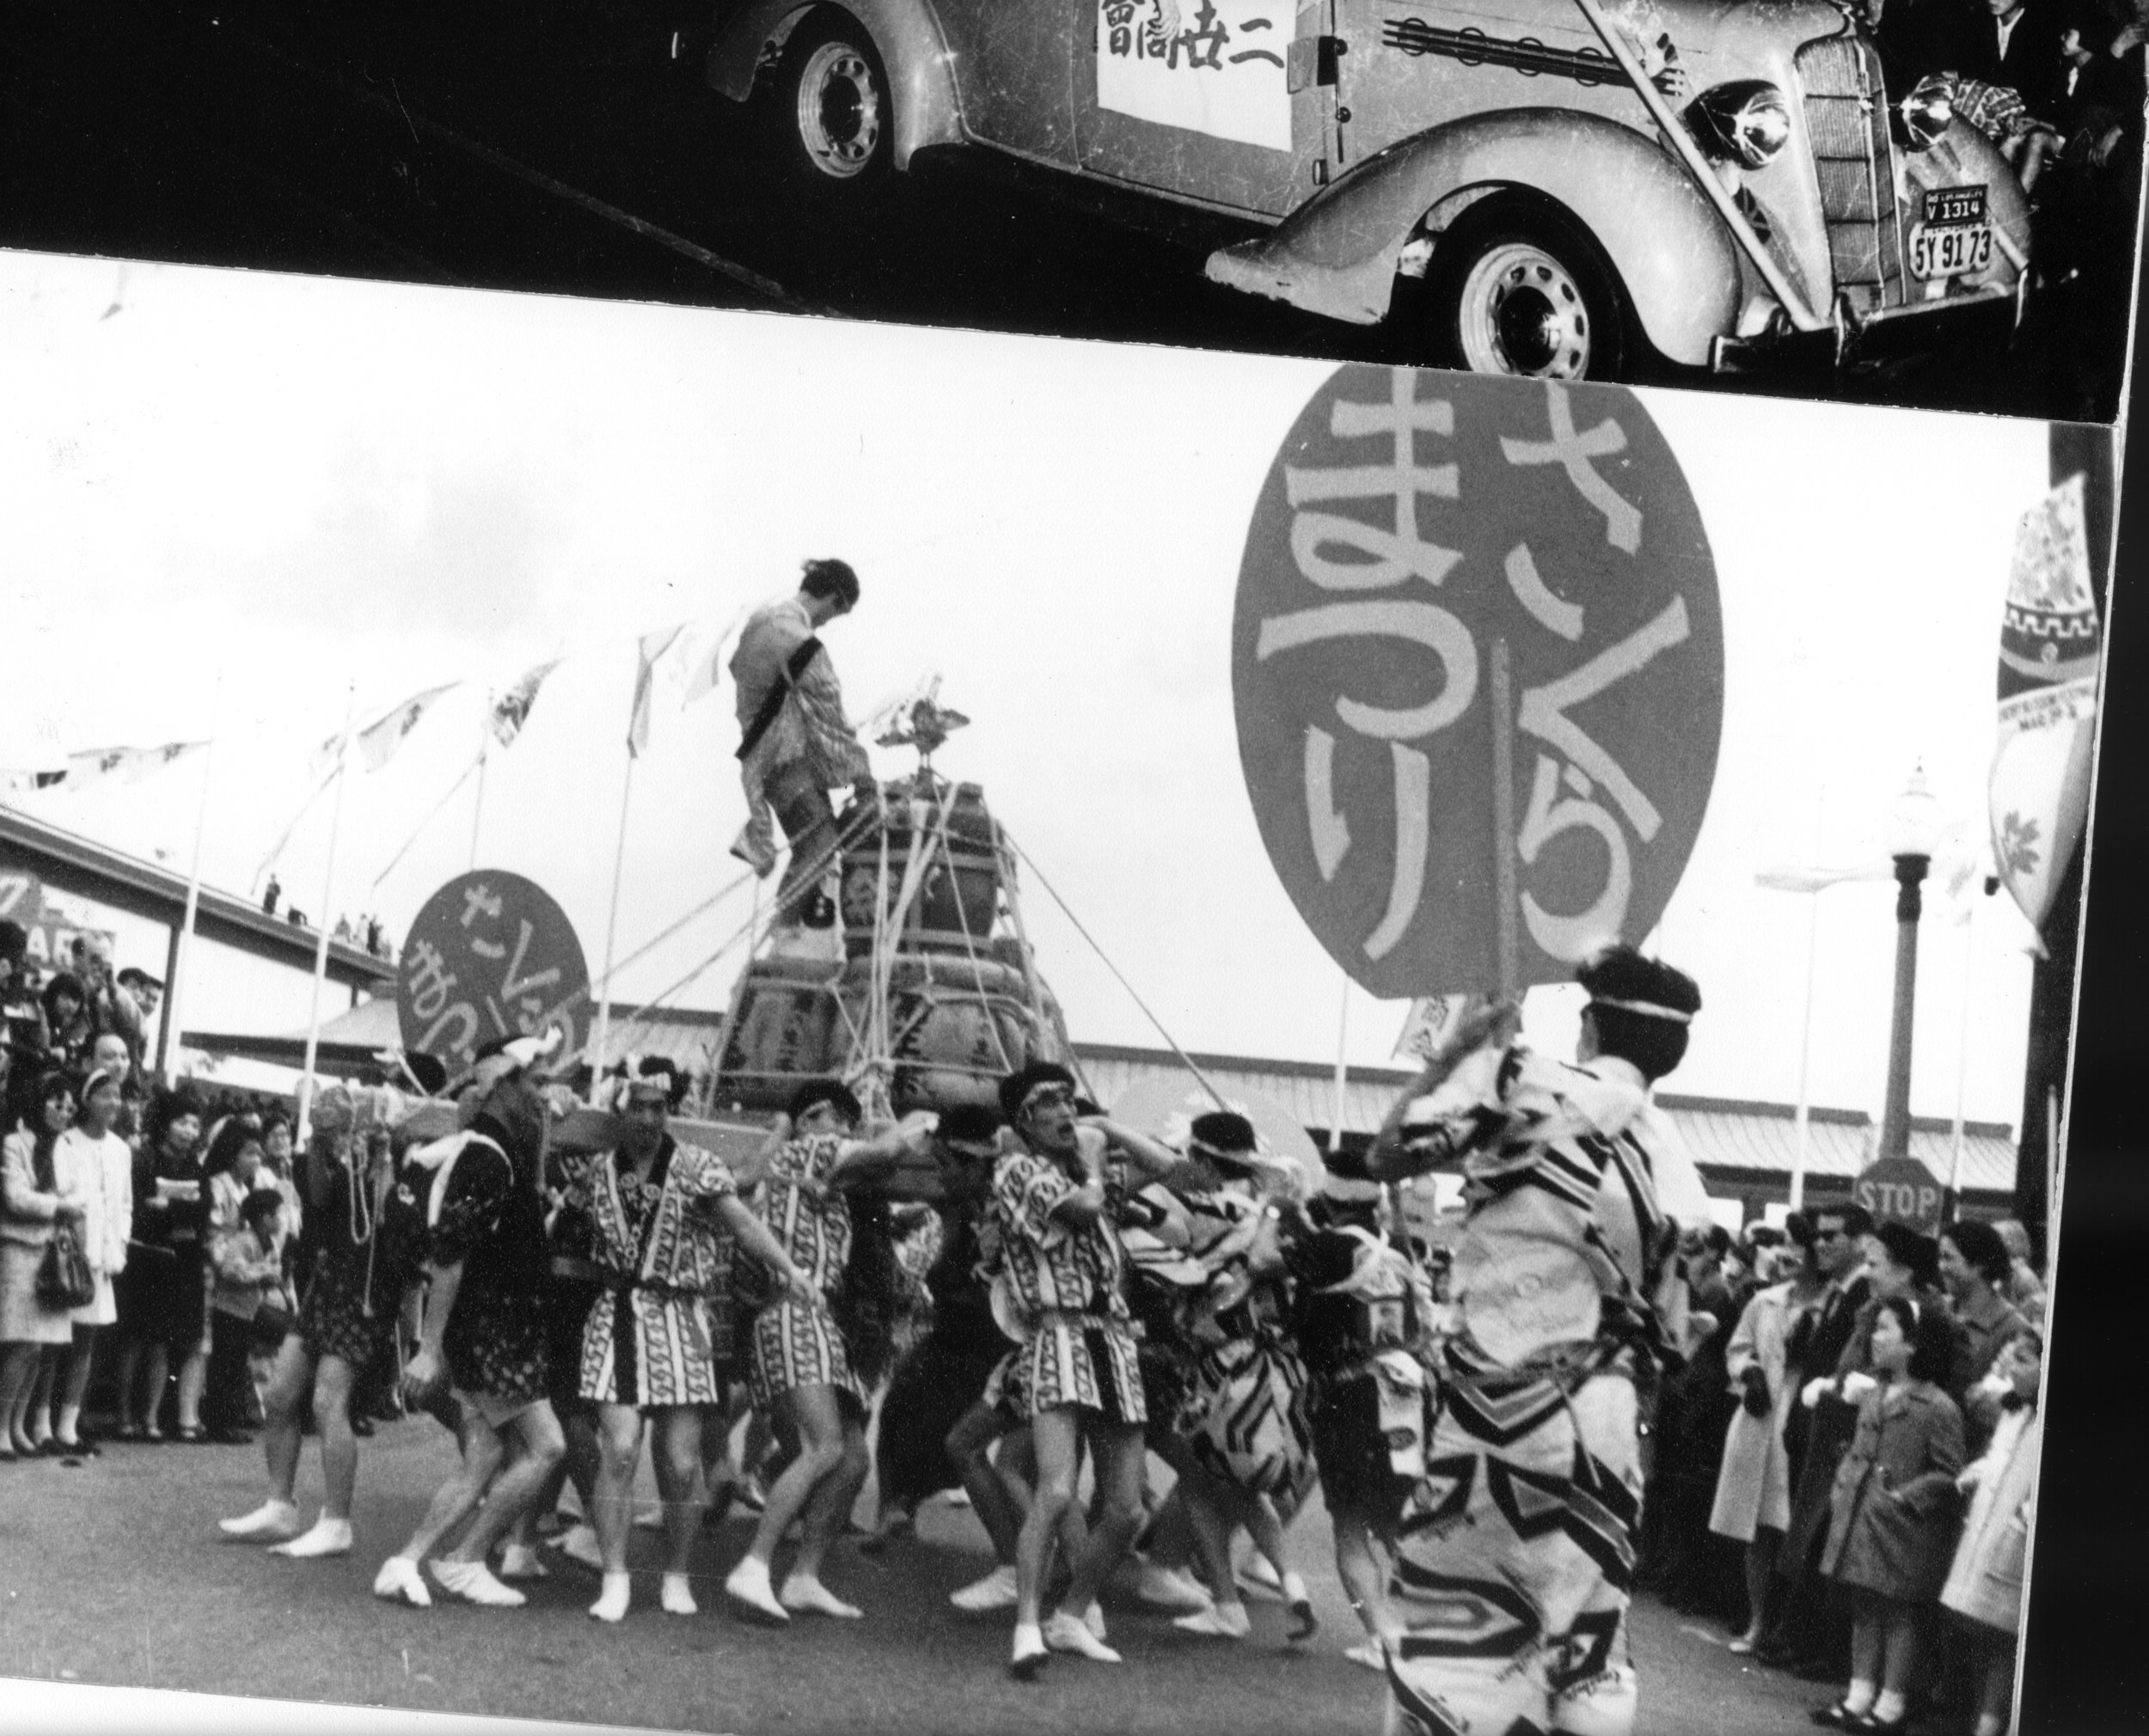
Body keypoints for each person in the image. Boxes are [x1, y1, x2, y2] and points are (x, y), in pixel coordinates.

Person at [1365, 945, 1712, 1736]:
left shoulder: (1533, 1083)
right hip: (1612, 1416)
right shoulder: (1673, 1159)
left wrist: (1462, 1053)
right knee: (1586, 1633)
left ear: (1589, 1025)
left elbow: (1390, 1152)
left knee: (1459, 1625)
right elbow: (1673, 1327)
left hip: (1507, 1405)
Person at [575, 1073, 808, 1623]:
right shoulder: (596, 1171)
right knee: (621, 1449)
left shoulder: (697, 1166)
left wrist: (789, 1268)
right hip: (616, 1316)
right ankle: (615, 1575)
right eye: (639, 1108)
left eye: (660, 1109)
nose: (650, 1120)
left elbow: (743, 1220)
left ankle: (677, 1572)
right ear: (620, 1112)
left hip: (680, 1317)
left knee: (681, 1465)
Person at [987, 1059, 1187, 1678]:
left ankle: (1071, 1615)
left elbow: (1171, 1169)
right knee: (1055, 1490)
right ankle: (1027, 1628)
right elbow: (1081, 1208)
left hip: (1113, 1341)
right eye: (1051, 1102)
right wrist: (1096, 1163)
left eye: (1070, 1101)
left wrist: (1107, 1126)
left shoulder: (1082, 1163)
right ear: (1023, 1117)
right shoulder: (1018, 1169)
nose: (1065, 1111)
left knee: (1125, 1507)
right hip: (1059, 1336)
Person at [722, 1079, 933, 1625]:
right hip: (795, 1310)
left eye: (844, 1119)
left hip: (811, 1315)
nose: (840, 1127)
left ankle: (804, 1576)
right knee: (823, 1447)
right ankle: (754, 1565)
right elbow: (891, 1149)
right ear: (810, 1121)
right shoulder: (809, 1150)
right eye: (831, 1117)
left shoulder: (794, 1162)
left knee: (852, 1459)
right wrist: (924, 1119)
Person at [372, 1035, 568, 1611]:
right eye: (534, 1083)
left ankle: (406, 1561)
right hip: (493, 1333)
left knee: (483, 1456)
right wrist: (430, 1347)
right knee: (547, 1447)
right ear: (501, 1084)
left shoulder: (496, 1144)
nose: (543, 1094)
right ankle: (463, 1560)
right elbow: (450, 1256)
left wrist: (551, 1114)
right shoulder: (487, 1156)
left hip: (493, 1328)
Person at [1258, 1146, 1436, 1671]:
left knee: (1351, 1527)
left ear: (1330, 1198)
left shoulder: (1333, 1247)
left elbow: (1261, 1260)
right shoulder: (1396, 1245)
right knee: (1395, 1518)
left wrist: (1273, 1211)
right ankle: (1426, 1630)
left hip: (1350, 1396)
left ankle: (1381, 1635)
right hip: (1405, 1394)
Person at [220, 1085, 412, 1560]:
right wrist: (320, 1140)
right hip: (325, 1287)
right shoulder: (328, 1156)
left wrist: (384, 1150)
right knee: (282, 1396)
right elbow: (321, 1198)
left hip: (364, 1294)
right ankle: (280, 1504)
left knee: (329, 1404)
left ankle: (337, 1521)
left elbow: (385, 1218)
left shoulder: (390, 1154)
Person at [1812, 1296, 1966, 1733]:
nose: (1875, 1338)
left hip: (1903, 1527)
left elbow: (1948, 1471)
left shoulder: (1937, 1406)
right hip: (1864, 1516)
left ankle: (1892, 1701)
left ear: (1913, 1343)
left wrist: (1905, 1496)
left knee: (1898, 1612)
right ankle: (1860, 1692)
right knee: (1864, 1602)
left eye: (1885, 1329)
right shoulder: (1874, 1393)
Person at [867, 1104, 1011, 1553]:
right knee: (899, 1413)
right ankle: (897, 1512)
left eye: (948, 1165)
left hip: (998, 1345)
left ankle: (1017, 1558)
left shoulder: (1009, 1198)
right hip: (954, 1336)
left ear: (976, 1163)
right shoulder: (954, 1197)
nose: (940, 1174)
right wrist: (920, 1123)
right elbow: (879, 1163)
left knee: (963, 1444)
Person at [727, 557, 878, 914]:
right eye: (835, 614)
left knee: (816, 842)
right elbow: (832, 715)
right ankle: (789, 933)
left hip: (760, 756)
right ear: (835, 600)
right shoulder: (802, 643)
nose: (827, 622)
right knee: (821, 846)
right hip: (785, 759)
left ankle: (793, 930)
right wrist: (862, 776)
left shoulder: (758, 622)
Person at [1762, 1201, 1876, 1671]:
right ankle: (1795, 1635)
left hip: (1836, 1432)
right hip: (1810, 1427)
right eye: (1819, 1236)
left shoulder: (1864, 1293)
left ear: (1860, 1241)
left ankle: (1816, 1646)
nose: (1821, 1244)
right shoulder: (1835, 1291)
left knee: (1821, 1536)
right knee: (1805, 1535)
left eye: (1833, 1236)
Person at [1709, 1214, 1821, 1653]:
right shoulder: (1765, 1300)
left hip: (1796, 1419)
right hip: (1759, 1418)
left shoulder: (1828, 1305)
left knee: (1787, 1525)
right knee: (1756, 1527)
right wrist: (1748, 1372)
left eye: (1799, 1246)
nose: (1787, 1254)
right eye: (1785, 1244)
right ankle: (1757, 1622)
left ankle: (1782, 1627)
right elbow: (1738, 1347)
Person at [1941, 1331, 2042, 1736]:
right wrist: (1976, 1473)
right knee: (1982, 1629)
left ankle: (1992, 1723)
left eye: (2023, 1360)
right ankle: (1978, 1718)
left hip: (2018, 1536)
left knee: (2006, 1638)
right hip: (1990, 1525)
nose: (2012, 1369)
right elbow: (1998, 1458)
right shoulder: (2014, 1412)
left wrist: (2026, 1516)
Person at [112, 1088, 209, 1441]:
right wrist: (175, 1211)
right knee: (134, 1339)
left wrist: (168, 1208)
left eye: (195, 1125)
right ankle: (124, 1415)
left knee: (162, 1344)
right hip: (147, 1259)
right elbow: (138, 1208)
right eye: (182, 1122)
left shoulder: (197, 1167)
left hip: (181, 1265)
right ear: (166, 1123)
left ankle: (151, 1418)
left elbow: (202, 1215)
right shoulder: (145, 1159)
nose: (188, 1130)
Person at [0, 1072, 88, 1457]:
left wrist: (66, 1201)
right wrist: (58, 1204)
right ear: (39, 1102)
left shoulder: (65, 1147)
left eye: (69, 1106)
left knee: (38, 1347)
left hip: (52, 1251)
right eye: (56, 1103)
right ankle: (1, 1426)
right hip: (20, 1248)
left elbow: (77, 1190)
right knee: (20, 1344)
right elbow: (15, 1197)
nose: (63, 1112)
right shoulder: (13, 1144)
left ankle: (18, 1425)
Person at [49, 1065, 132, 1455]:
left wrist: (119, 1246)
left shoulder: (120, 1149)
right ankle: (40, 1424)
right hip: (69, 1258)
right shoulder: (66, 1142)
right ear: (87, 1099)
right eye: (105, 1095)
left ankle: (68, 1426)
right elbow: (65, 1195)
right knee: (53, 1342)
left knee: (86, 1343)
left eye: (117, 1095)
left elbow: (125, 1205)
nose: (113, 1103)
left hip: (102, 1261)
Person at [1938, 1219, 2032, 1450]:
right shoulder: (1940, 1312)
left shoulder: (2013, 1328)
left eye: (1949, 1258)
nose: (1941, 1266)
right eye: (1940, 1257)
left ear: (1978, 1265)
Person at [204, 1188, 287, 1444]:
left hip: (247, 1311)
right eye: (277, 1214)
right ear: (264, 1217)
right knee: (225, 1367)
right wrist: (262, 1273)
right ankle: (219, 1424)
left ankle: (231, 1418)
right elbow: (231, 1271)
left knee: (237, 1365)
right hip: (229, 1310)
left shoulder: (268, 1242)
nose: (282, 1220)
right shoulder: (244, 1240)